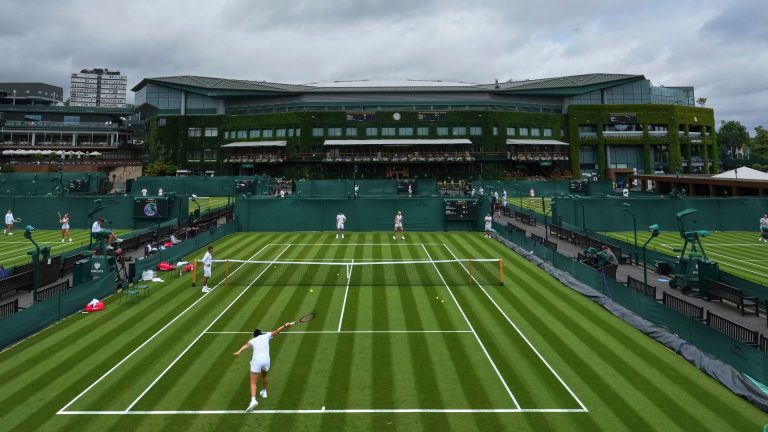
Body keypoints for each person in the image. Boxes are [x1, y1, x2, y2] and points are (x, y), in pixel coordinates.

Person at [233, 322, 293, 412]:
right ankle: (264, 392)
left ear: (254, 336)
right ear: (260, 334)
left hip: (257, 361)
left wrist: (239, 351)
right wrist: (285, 326)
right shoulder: (266, 336)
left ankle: (253, 400)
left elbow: (246, 345)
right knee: (264, 376)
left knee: (253, 383)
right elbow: (277, 331)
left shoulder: (252, 341)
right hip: (266, 361)